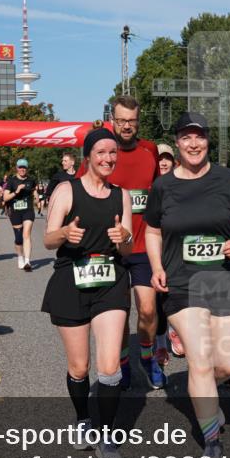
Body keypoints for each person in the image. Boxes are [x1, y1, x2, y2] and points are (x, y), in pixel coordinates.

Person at [144, 112, 230, 458]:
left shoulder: (227, 179)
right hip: (182, 282)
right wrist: (157, 266)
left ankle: (207, 397)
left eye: (199, 137)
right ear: (177, 142)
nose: (193, 143)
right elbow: (153, 231)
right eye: (186, 137)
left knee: (228, 364)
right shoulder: (163, 186)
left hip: (224, 278)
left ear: (208, 141)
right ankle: (211, 438)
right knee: (201, 362)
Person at [42, 128, 133, 458]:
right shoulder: (67, 190)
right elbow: (48, 240)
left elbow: (129, 245)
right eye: (101, 153)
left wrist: (123, 236)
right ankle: (83, 419)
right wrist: (66, 232)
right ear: (88, 158)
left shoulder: (120, 195)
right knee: (80, 367)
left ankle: (107, 436)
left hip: (110, 279)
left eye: (113, 153)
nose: (108, 159)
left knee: (109, 368)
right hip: (71, 278)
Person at [82, 96, 164, 389]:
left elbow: (160, 190)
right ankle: (124, 360)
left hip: (142, 246)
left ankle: (147, 355)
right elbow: (82, 191)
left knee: (147, 309)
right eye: (121, 120)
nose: (126, 126)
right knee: (119, 313)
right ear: (112, 120)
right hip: (109, 249)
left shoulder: (150, 150)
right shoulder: (102, 153)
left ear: (138, 121)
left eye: (132, 121)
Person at [153, 142, 177, 365]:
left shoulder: (182, 184)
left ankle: (176, 330)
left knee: (176, 293)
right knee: (159, 298)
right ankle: (161, 344)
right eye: (159, 158)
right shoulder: (150, 187)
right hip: (156, 248)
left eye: (167, 158)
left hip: (177, 248)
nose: (163, 161)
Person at [4, 158, 40, 271]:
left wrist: (37, 198)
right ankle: (20, 257)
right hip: (15, 212)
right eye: (20, 167)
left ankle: (27, 261)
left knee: (26, 234)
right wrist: (16, 191)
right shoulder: (11, 181)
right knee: (18, 238)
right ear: (17, 168)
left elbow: (34, 191)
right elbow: (5, 198)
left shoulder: (31, 180)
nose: (22, 169)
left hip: (28, 210)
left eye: (24, 167)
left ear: (27, 169)